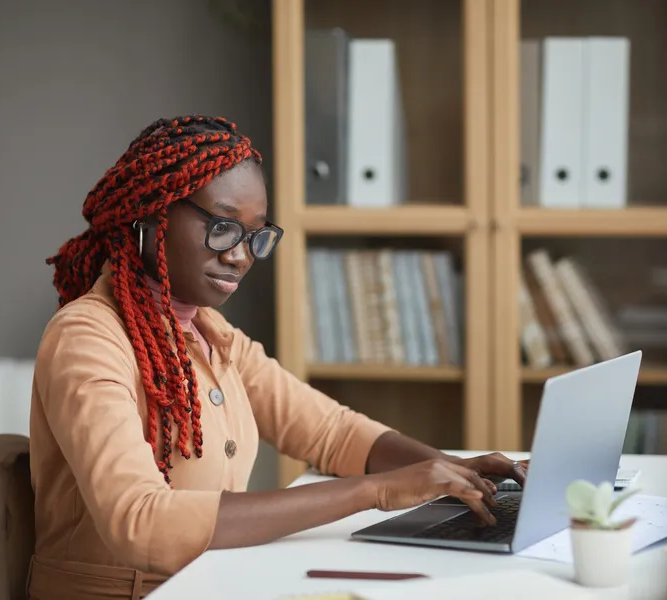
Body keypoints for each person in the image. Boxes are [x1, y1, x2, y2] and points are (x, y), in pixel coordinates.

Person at [27, 115, 528, 599]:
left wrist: (452, 470)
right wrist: (377, 491)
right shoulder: (87, 339)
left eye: (254, 236)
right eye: (223, 227)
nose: (241, 256)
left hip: (210, 583)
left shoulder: (208, 332)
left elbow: (333, 433)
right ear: (151, 214)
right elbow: (140, 521)